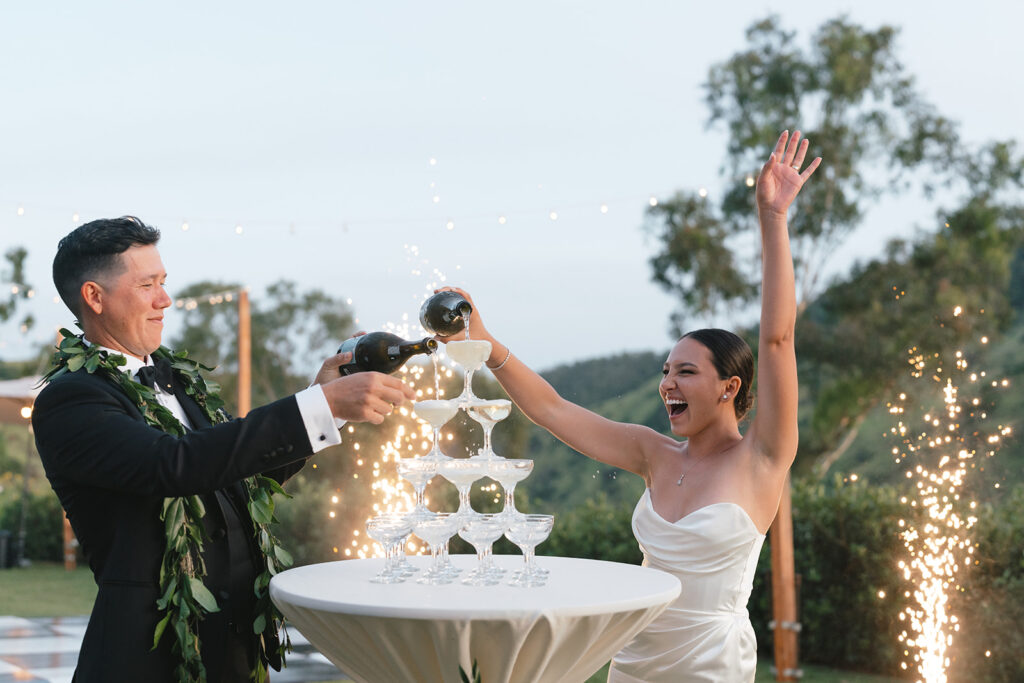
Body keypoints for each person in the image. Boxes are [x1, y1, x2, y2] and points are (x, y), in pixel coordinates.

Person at [436, 131, 820, 682]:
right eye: (666, 372)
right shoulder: (652, 453)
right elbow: (552, 409)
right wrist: (484, 338)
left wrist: (772, 217)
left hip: (709, 668)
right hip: (635, 663)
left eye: (686, 372)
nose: (668, 384)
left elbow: (778, 339)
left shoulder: (763, 457)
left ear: (729, 388)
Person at [32, 216, 415, 682]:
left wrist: (326, 406)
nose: (164, 300)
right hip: (144, 662)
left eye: (164, 282)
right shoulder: (72, 398)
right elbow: (171, 465)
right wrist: (312, 407)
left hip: (233, 657)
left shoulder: (179, 380)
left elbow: (235, 473)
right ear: (95, 297)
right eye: (148, 284)